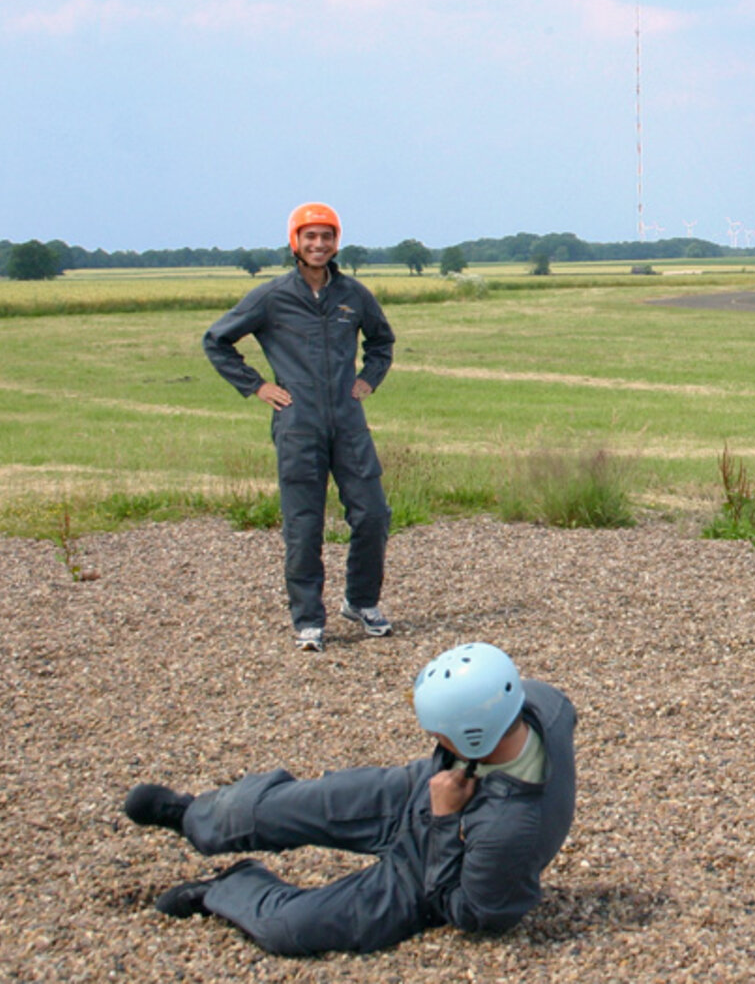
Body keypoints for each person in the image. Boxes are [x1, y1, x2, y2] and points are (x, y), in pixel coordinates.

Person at [122, 642, 577, 956]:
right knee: (285, 805)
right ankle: (193, 817)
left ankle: (225, 890)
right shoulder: (543, 703)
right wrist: (439, 799)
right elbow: (560, 712)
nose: (432, 737)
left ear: (472, 737)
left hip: (427, 873)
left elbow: (475, 913)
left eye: (438, 733)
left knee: (291, 928)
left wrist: (443, 821)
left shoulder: (510, 833)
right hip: (422, 791)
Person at [204, 202, 396, 651]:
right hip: (298, 424)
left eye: (327, 236)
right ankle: (309, 620)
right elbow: (217, 340)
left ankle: (361, 601)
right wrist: (257, 386)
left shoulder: (354, 295)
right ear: (295, 242)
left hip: (348, 423)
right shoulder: (272, 296)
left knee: (373, 515)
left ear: (336, 242)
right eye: (310, 236)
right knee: (304, 524)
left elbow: (382, 342)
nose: (319, 244)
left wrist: (368, 378)